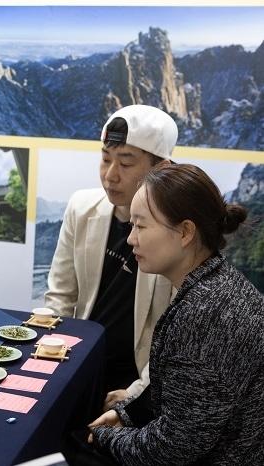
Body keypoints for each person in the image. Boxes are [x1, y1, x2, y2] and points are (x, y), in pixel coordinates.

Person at [84, 163, 264, 465]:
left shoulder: (206, 315)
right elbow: (187, 400)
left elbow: (175, 446)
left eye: (141, 226)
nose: (130, 239)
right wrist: (128, 413)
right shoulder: (217, 284)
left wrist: (104, 437)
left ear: (185, 232)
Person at [44, 105, 177, 411]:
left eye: (126, 164)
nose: (110, 175)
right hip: (78, 363)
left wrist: (138, 395)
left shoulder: (177, 232)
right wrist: (49, 357)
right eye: (105, 159)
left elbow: (177, 339)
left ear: (161, 168)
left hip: (140, 377)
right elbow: (60, 296)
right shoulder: (82, 208)